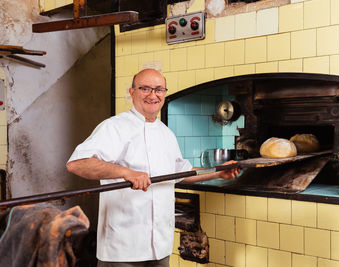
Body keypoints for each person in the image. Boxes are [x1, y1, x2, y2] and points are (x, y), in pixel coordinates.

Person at [66, 68, 241, 267]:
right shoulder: (113, 127)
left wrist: (218, 172)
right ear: (132, 93)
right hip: (123, 247)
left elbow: (180, 174)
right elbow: (78, 163)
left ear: (164, 94)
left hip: (160, 245)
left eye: (158, 89)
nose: (152, 95)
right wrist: (126, 173)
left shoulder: (166, 134)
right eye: (145, 88)